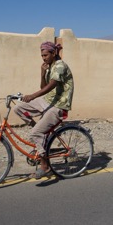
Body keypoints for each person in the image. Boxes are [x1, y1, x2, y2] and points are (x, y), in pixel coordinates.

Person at [13, 41, 74, 179]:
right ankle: (41, 135)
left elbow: (52, 85)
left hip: (59, 105)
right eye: (42, 55)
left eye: (46, 55)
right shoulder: (50, 66)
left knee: (35, 132)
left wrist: (32, 96)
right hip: (47, 101)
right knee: (18, 108)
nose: (43, 58)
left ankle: (45, 167)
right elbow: (44, 86)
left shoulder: (60, 66)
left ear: (54, 53)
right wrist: (42, 73)